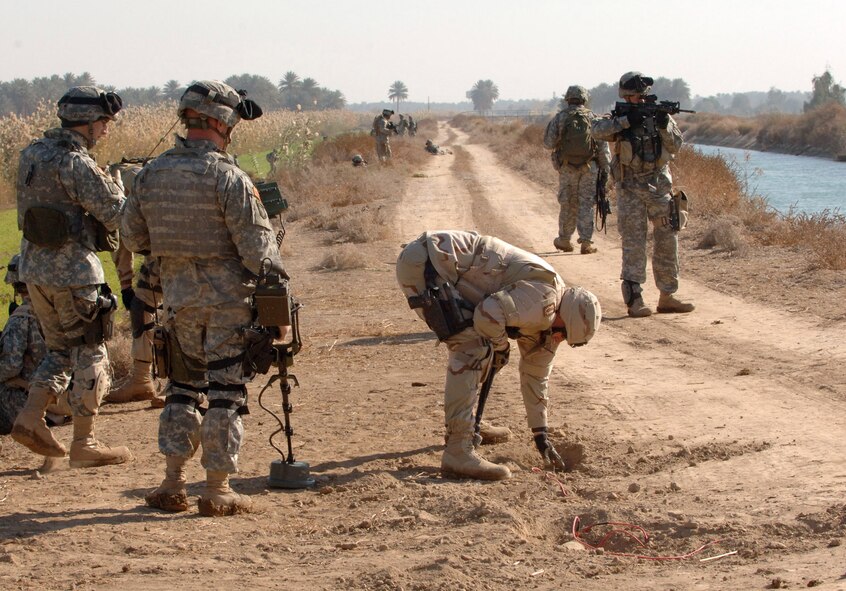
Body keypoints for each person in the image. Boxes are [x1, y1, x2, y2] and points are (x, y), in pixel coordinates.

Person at [121, 80, 288, 517]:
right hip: (229, 306)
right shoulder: (228, 177)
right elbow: (259, 254)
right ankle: (217, 488)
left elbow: (134, 238)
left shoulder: (149, 175)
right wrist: (279, 312)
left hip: (178, 302)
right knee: (225, 393)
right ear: (221, 123)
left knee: (181, 389)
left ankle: (172, 483)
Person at [396, 231, 601, 481]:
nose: (558, 340)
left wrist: (541, 435)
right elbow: (488, 314)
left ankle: (470, 422)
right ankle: (458, 449)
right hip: (428, 264)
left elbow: (536, 374)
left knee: (488, 344)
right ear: (563, 317)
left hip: (439, 264)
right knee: (474, 347)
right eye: (563, 333)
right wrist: (501, 346)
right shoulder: (544, 300)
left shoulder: (550, 320)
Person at [11, 86, 131, 469]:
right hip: (74, 273)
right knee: (92, 351)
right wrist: (120, 188)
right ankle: (85, 443)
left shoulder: (31, 154)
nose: (106, 130)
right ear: (88, 122)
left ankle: (30, 417)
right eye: (104, 122)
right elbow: (117, 214)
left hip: (34, 269)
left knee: (59, 351)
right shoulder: (76, 163)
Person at [592, 72, 694, 317]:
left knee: (668, 239)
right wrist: (627, 121)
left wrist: (663, 124)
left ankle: (667, 295)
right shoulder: (619, 117)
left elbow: (676, 145)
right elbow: (596, 130)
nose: (635, 100)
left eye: (638, 96)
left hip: (659, 188)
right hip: (630, 189)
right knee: (634, 243)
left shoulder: (660, 117)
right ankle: (635, 299)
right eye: (631, 97)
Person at [0, 256, 71, 471]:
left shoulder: (20, 319)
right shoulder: (60, 313)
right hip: (65, 401)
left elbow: (9, 367)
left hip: (27, 403)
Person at [105, 160, 163, 406]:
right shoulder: (140, 195)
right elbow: (124, 241)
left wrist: (126, 284)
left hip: (182, 263)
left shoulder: (145, 192)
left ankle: (185, 385)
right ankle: (141, 379)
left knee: (181, 318)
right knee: (141, 308)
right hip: (159, 262)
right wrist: (127, 286)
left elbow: (122, 242)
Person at [543, 85, 611, 255]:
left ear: (567, 99)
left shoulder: (560, 118)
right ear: (584, 99)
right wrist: (605, 169)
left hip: (567, 168)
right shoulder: (593, 117)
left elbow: (548, 143)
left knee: (568, 203)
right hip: (590, 167)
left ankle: (564, 240)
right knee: (586, 203)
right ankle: (586, 243)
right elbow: (603, 148)